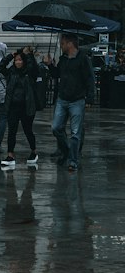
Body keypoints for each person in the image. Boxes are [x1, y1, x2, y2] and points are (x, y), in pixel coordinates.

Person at [44, 33, 95, 173]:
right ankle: (66, 151)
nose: (61, 45)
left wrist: (90, 98)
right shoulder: (63, 59)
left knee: (75, 132)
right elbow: (56, 74)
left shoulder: (83, 59)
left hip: (77, 100)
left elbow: (90, 78)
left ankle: (73, 160)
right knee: (56, 128)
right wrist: (50, 65)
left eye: (63, 42)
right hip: (62, 98)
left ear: (70, 44)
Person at [0, 49, 39, 169]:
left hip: (26, 106)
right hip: (13, 106)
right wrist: (11, 55)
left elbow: (33, 67)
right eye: (16, 60)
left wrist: (29, 55)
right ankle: (10, 155)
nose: (18, 62)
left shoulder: (29, 72)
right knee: (12, 131)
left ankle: (34, 151)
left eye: (20, 60)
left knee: (27, 130)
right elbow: (0, 67)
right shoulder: (11, 72)